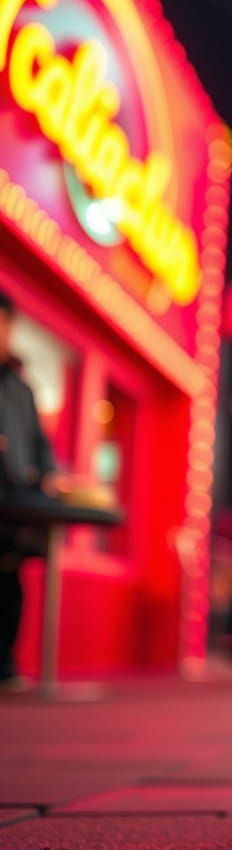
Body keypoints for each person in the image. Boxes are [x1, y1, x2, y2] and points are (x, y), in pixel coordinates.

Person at [0, 291, 58, 687]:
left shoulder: (20, 388)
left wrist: (48, 474)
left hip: (15, 504)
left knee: (9, 581)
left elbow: (41, 444)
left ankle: (4, 664)